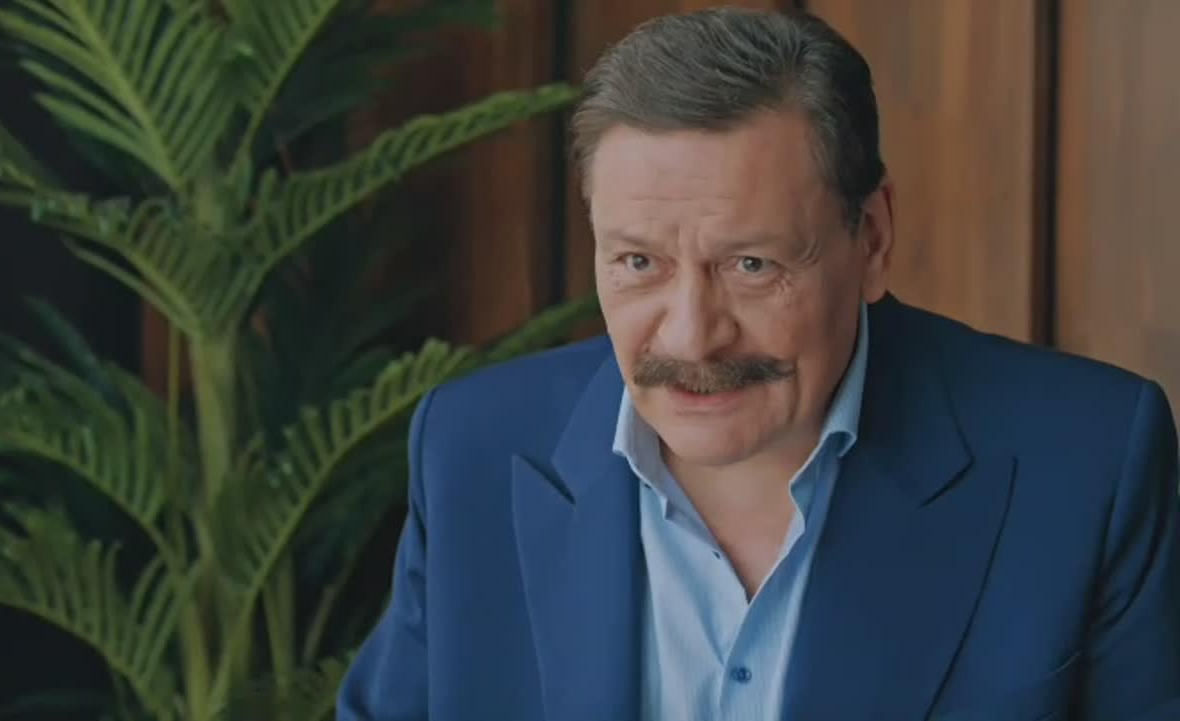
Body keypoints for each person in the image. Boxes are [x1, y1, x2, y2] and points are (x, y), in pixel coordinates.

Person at [336, 7, 1180, 721]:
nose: (693, 339)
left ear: (872, 238)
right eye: (639, 263)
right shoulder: (474, 450)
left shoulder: (1089, 465)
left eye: (751, 265)